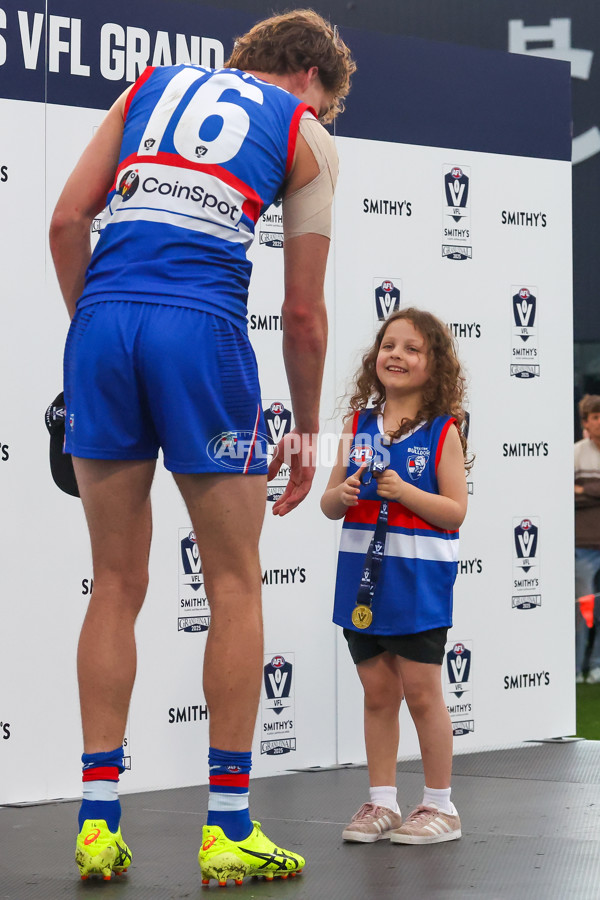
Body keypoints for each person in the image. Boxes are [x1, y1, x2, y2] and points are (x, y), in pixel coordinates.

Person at [49, 10, 355, 885]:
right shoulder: (302, 130)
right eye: (329, 106)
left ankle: (98, 821)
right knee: (233, 582)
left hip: (105, 321)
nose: (328, 122)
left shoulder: (146, 85)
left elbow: (67, 225)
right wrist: (303, 429)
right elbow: (301, 313)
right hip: (203, 334)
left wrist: (97, 338)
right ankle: (226, 827)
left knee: (114, 581)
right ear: (307, 79)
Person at [321, 308, 469, 845]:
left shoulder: (443, 430)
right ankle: (382, 801)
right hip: (362, 581)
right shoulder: (357, 425)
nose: (397, 356)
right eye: (389, 345)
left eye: (412, 349)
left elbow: (455, 510)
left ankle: (440, 806)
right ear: (374, 357)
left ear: (435, 367)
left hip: (417, 582)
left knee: (424, 693)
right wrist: (342, 494)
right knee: (377, 691)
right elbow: (329, 503)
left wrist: (405, 493)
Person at [574, 395, 600, 682]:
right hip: (583, 547)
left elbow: (578, 493)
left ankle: (595, 666)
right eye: (594, 417)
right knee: (583, 609)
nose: (599, 422)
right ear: (585, 423)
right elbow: (565, 494)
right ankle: (574, 669)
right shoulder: (576, 453)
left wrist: (584, 490)